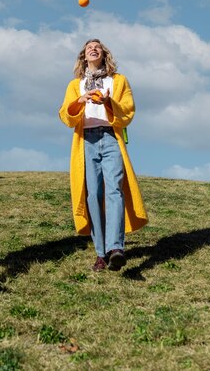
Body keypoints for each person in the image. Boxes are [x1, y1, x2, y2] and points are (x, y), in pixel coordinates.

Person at [59, 38, 148, 272]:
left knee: (114, 190)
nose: (93, 48)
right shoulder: (75, 84)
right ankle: (101, 253)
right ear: (83, 56)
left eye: (97, 46)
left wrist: (109, 102)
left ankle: (116, 248)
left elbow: (128, 112)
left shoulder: (117, 81)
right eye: (89, 47)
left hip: (110, 138)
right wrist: (80, 100)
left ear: (104, 54)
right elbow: (66, 117)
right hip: (86, 141)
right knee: (93, 195)